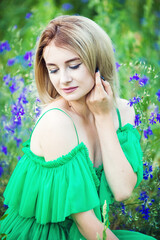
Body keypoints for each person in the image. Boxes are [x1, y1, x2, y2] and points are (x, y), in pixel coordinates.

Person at [0, 15, 157, 240]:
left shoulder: (123, 112)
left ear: (97, 63)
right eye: (53, 70)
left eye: (73, 66)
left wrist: (102, 117)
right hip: (47, 235)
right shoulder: (56, 122)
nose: (63, 80)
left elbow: (122, 191)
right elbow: (86, 225)